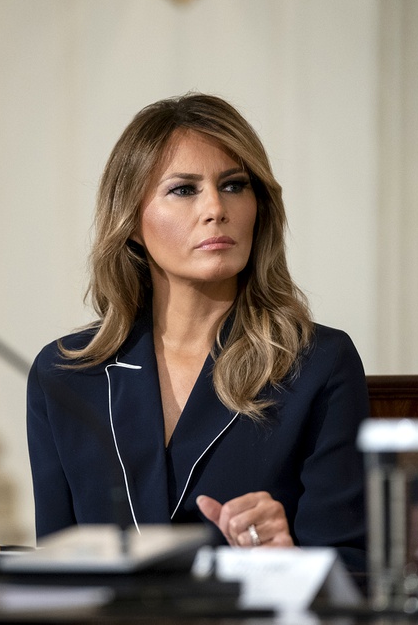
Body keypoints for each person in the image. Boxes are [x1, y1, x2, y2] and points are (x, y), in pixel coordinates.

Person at [27, 92, 369, 572]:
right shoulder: (64, 375)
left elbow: (355, 571)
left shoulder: (318, 363)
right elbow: (55, 571)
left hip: (253, 621)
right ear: (131, 222)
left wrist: (288, 561)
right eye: (184, 189)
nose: (215, 208)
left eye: (234, 185)